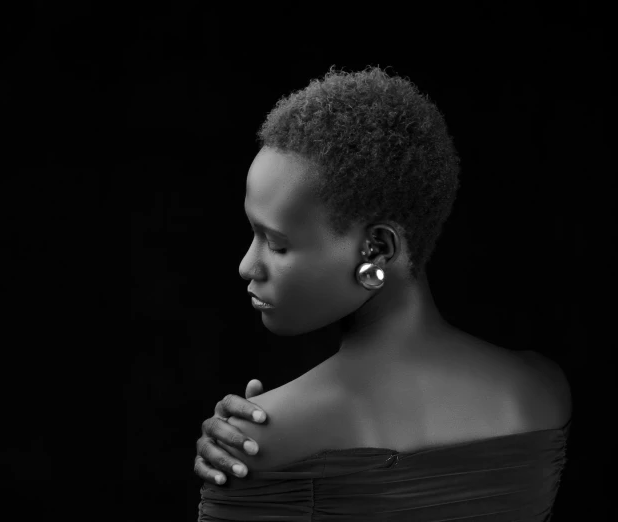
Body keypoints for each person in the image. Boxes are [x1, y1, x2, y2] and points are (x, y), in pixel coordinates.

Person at [193, 65, 572, 521]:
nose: (246, 266)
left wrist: (265, 428)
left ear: (377, 248)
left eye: (276, 243)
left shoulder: (257, 441)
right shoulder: (543, 388)